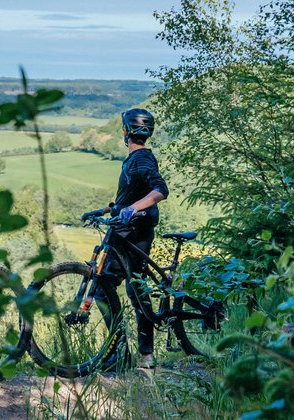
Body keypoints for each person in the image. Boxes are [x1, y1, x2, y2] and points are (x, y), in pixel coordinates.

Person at [80, 108, 168, 370]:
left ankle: (131, 353)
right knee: (117, 287)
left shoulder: (141, 159)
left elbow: (160, 190)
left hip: (134, 231)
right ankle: (124, 351)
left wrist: (132, 210)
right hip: (122, 228)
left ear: (126, 131)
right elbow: (128, 196)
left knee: (126, 288)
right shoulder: (135, 159)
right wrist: (107, 209)